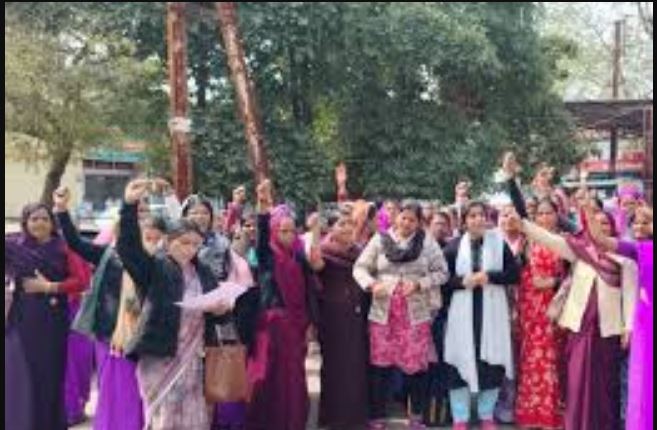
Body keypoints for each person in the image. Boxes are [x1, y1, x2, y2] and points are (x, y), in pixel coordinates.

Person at [504, 157, 637, 430]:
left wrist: (629, 327)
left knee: (604, 384)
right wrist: (524, 224)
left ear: (613, 228)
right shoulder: (579, 250)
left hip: (608, 329)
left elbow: (631, 294)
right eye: (595, 224)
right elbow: (548, 237)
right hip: (578, 326)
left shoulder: (625, 259)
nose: (599, 228)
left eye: (605, 224)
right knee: (576, 381)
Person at [53, 186, 167, 430]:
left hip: (146, 337)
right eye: (136, 211)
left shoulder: (161, 261)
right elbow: (74, 242)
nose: (139, 215)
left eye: (144, 211)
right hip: (110, 335)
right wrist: (61, 210)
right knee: (114, 391)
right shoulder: (108, 254)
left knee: (140, 392)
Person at [117, 179, 223, 430]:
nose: (190, 249)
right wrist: (129, 205)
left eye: (196, 244)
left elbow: (217, 309)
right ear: (168, 241)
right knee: (165, 418)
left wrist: (221, 309)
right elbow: (128, 248)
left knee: (194, 418)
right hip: (160, 356)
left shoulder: (204, 272)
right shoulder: (154, 267)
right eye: (184, 242)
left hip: (194, 358)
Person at [354, 201, 448, 430]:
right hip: (383, 314)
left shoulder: (427, 242)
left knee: (416, 366)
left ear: (419, 222)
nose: (406, 223)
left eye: (412, 220)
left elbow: (443, 272)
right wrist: (371, 285)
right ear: (396, 217)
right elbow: (360, 268)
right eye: (403, 217)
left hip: (415, 314)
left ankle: (415, 417)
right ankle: (377, 415)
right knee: (380, 365)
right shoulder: (380, 240)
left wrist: (420, 283)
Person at [246, 180, 323, 430]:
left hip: (296, 327)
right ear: (274, 231)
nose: (288, 236)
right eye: (282, 231)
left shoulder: (298, 257)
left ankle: (292, 421)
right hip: (271, 328)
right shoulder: (267, 255)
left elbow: (309, 289)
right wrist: (262, 206)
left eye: (291, 231)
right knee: (268, 376)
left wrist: (310, 323)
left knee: (294, 377)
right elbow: (261, 236)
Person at [5, 202, 87, 430]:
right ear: (25, 223)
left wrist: (51, 287)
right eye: (34, 219)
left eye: (45, 219)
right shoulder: (13, 246)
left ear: (52, 223)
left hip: (52, 322)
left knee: (50, 376)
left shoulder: (64, 247)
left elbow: (82, 281)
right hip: (21, 320)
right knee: (20, 375)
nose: (39, 223)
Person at [442, 201, 521, 430]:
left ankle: (486, 414)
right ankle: (460, 417)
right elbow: (442, 281)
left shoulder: (499, 243)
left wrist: (490, 276)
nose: (478, 219)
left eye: (481, 215)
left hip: (492, 314)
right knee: (458, 362)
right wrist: (462, 281)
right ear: (464, 221)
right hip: (462, 314)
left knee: (491, 363)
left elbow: (514, 274)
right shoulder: (453, 247)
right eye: (472, 216)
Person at [587, 205, 653, 430]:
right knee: (643, 379)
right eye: (636, 222)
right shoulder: (638, 249)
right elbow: (600, 238)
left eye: (646, 222)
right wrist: (587, 209)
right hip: (646, 321)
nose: (639, 226)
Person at [513, 198, 567, 429]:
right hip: (531, 309)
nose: (544, 218)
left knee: (554, 359)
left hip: (556, 307)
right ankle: (531, 413)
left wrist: (554, 282)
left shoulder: (565, 241)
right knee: (532, 358)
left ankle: (552, 415)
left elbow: (572, 276)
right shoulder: (527, 241)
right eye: (541, 214)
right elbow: (522, 278)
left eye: (549, 213)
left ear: (558, 215)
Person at [312, 214, 370, 429]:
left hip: (356, 315)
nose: (347, 228)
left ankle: (354, 417)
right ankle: (332, 417)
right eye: (341, 224)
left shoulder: (359, 252)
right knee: (334, 366)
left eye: (350, 224)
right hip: (332, 317)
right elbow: (315, 264)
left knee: (355, 365)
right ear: (331, 229)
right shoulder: (325, 250)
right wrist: (315, 231)